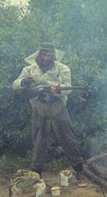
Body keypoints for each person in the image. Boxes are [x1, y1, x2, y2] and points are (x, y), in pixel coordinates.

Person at [12, 42, 86, 180]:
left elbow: (68, 88)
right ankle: (36, 173)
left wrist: (58, 89)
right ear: (39, 55)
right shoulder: (30, 69)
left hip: (57, 106)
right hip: (39, 106)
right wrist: (25, 81)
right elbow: (16, 85)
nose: (46, 58)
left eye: (49, 55)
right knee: (39, 140)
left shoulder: (62, 68)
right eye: (44, 54)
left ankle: (79, 169)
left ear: (54, 55)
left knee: (68, 138)